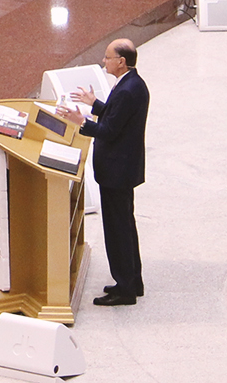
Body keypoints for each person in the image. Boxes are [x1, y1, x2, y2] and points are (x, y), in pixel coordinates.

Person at [62, 39, 150, 305]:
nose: (104, 61)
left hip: (117, 171)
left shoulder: (126, 90)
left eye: (108, 57)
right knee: (124, 226)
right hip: (123, 170)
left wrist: (82, 122)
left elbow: (110, 131)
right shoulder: (132, 84)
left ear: (121, 61)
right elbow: (117, 117)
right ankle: (132, 281)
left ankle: (125, 290)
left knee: (118, 230)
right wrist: (97, 105)